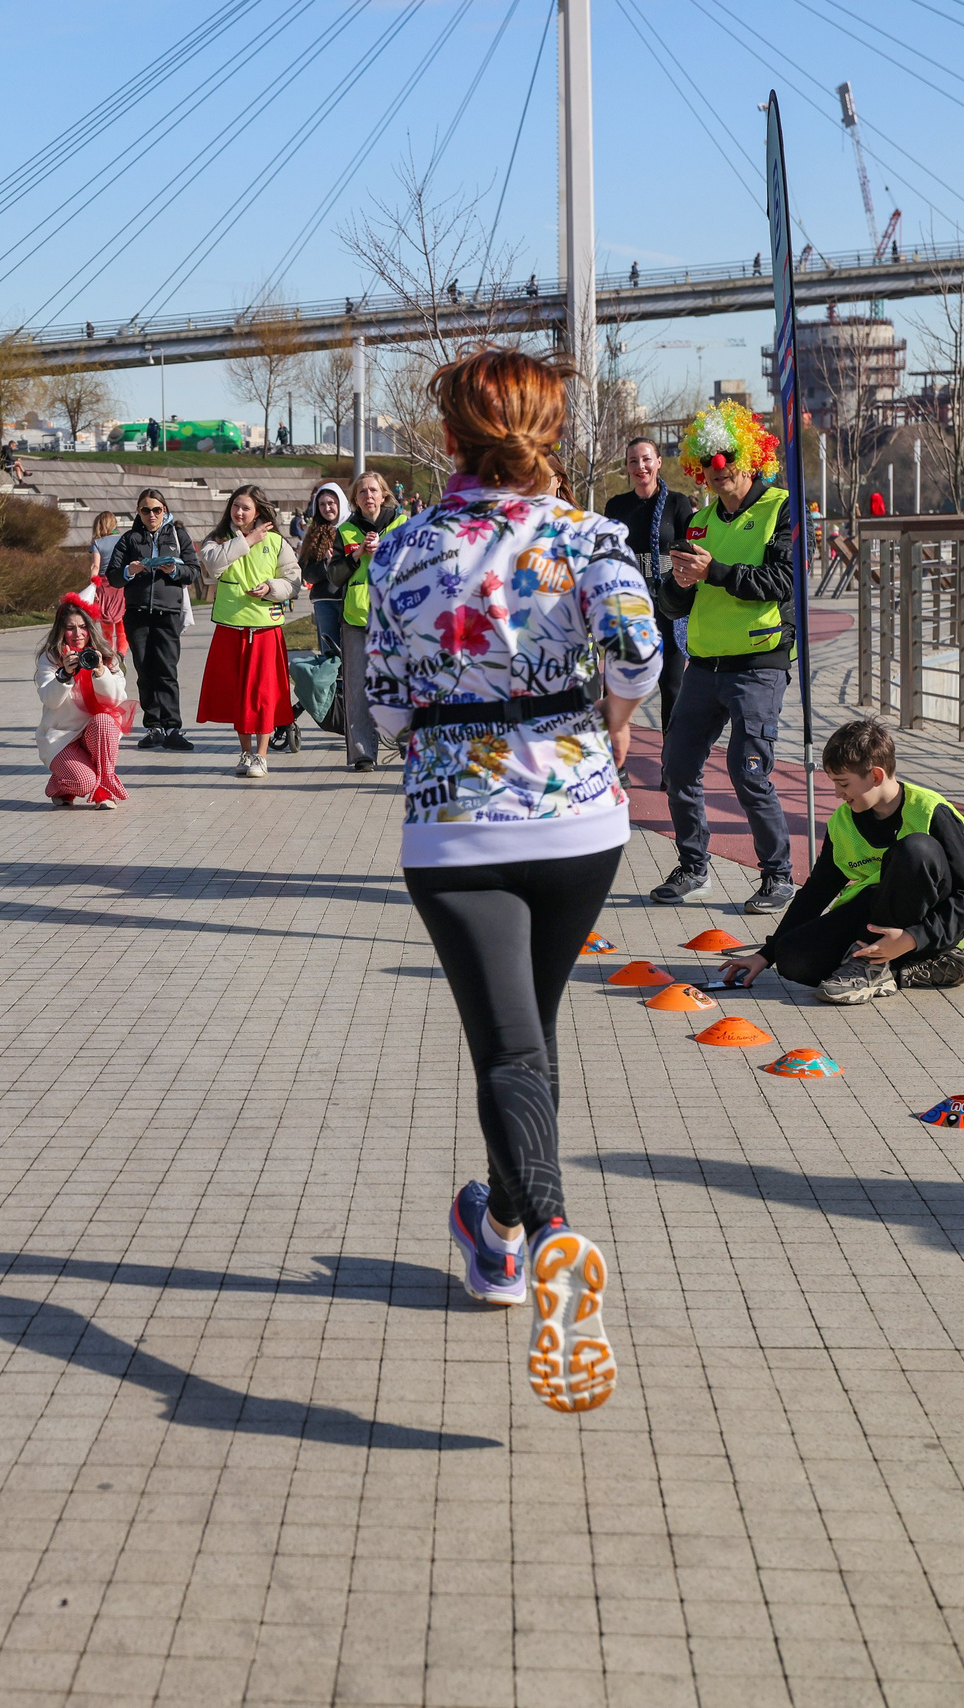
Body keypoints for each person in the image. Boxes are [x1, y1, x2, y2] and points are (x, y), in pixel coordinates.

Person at [362, 345, 658, 1410]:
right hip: (580, 822)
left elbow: (386, 708)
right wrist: (614, 723)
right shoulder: (590, 537)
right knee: (529, 1039)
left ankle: (552, 1230)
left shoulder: (397, 552)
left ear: (447, 438)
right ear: (551, 436)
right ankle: (494, 1228)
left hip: (455, 826)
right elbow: (635, 652)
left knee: (508, 1048)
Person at [648, 400, 800, 916]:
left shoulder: (781, 507)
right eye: (709, 460)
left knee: (747, 769)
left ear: (750, 455)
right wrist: (676, 584)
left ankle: (778, 876)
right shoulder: (699, 522)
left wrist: (715, 573)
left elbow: (781, 582)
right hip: (704, 665)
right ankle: (693, 867)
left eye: (728, 457)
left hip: (759, 663)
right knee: (678, 764)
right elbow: (674, 604)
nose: (719, 469)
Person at [717, 719, 964, 1004]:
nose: (837, 793)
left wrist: (914, 937)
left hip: (931, 920)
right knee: (792, 958)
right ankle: (906, 969)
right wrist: (766, 954)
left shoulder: (931, 811)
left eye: (843, 784)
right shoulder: (843, 822)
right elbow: (817, 891)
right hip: (875, 912)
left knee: (915, 850)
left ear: (876, 777)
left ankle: (874, 966)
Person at [195, 484, 299, 778]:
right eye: (236, 506)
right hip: (231, 628)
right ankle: (245, 753)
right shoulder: (217, 540)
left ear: (258, 512)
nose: (239, 512)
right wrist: (247, 539)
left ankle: (261, 756)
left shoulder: (277, 542)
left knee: (263, 695)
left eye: (246, 508)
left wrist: (271, 588)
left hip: (266, 630)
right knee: (239, 694)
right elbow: (212, 564)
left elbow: (293, 580)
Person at [602, 438, 694, 733]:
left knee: (672, 685)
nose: (640, 466)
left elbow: (690, 552)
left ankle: (671, 765)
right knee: (615, 684)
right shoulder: (616, 506)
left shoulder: (678, 503)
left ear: (658, 462)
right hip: (628, 605)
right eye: (633, 461)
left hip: (668, 603)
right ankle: (614, 761)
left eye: (646, 459)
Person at [105, 488, 201, 750]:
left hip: (168, 612)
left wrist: (173, 570)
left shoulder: (178, 536)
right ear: (138, 511)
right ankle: (154, 727)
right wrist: (129, 570)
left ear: (165, 511)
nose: (151, 515)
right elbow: (113, 576)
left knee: (167, 671)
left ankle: (172, 728)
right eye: (145, 510)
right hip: (137, 613)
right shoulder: (129, 539)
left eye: (156, 510)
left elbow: (193, 571)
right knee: (145, 672)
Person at [336, 470, 408, 772]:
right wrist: (358, 555)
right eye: (362, 492)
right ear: (356, 498)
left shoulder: (403, 524)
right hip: (356, 618)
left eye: (373, 490)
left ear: (384, 494)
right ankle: (363, 754)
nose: (368, 496)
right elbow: (335, 576)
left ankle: (409, 746)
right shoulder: (346, 529)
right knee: (357, 690)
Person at [34, 595, 132, 806]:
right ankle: (59, 785)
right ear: (61, 630)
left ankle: (104, 792)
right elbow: (50, 700)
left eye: (82, 627)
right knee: (83, 783)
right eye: (70, 628)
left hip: (94, 733)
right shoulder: (50, 658)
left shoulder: (104, 655)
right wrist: (64, 675)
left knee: (105, 721)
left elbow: (116, 700)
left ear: (90, 628)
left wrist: (100, 671)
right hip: (61, 737)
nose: (77, 634)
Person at [297, 482, 350, 656]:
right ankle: (333, 684)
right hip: (325, 600)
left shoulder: (354, 527)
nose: (327, 508)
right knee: (330, 656)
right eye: (322, 504)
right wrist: (326, 565)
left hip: (351, 600)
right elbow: (307, 573)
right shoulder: (315, 533)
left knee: (352, 654)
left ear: (340, 502)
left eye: (331, 503)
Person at [84, 510, 130, 654]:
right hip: (121, 583)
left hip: (104, 586)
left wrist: (93, 586)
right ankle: (122, 653)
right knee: (122, 626)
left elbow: (95, 567)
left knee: (107, 627)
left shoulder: (97, 543)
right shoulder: (125, 540)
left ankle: (109, 656)